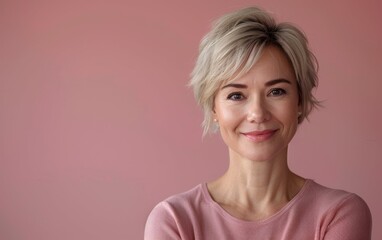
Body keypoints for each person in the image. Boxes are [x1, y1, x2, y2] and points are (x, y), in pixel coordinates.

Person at [144, 6, 372, 240]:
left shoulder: (339, 214)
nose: (257, 113)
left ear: (300, 101)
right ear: (213, 108)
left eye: (276, 91)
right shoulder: (175, 220)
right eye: (236, 95)